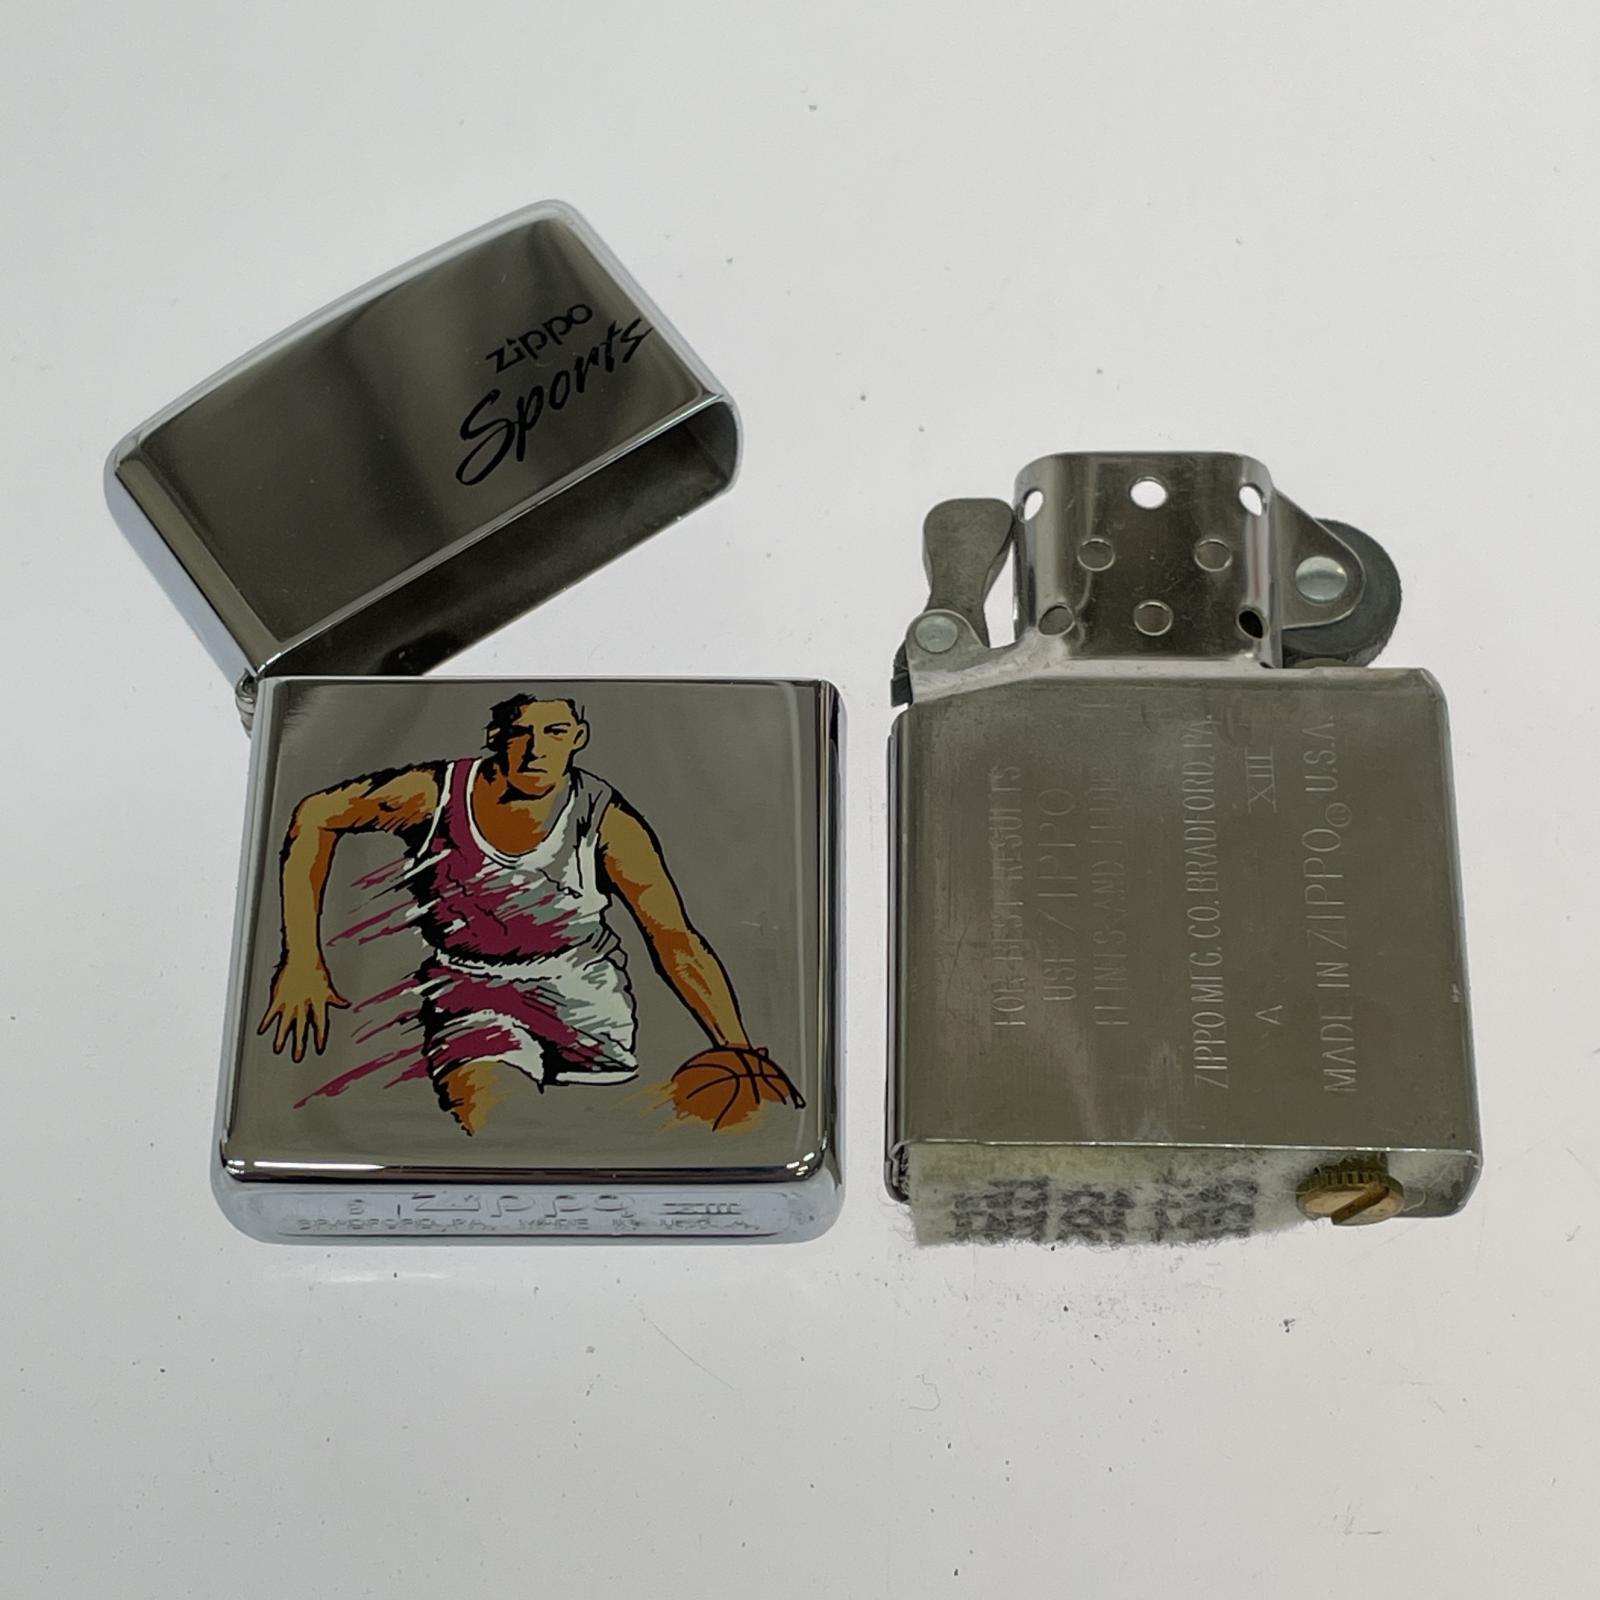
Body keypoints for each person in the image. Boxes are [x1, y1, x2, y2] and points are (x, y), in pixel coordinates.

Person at [258, 693, 792, 1133]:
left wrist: (737, 1046)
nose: (536, 750)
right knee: (492, 1115)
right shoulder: (434, 793)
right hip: (472, 989)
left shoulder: (606, 819)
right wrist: (301, 957)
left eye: (555, 733)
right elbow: (316, 815)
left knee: (601, 1143)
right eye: (521, 734)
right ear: (496, 738)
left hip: (585, 998)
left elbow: (674, 938)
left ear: (578, 737)